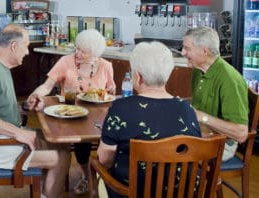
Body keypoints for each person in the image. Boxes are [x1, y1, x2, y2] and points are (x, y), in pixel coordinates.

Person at [0, 23, 70, 198]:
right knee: (61, 158)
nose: (27, 52)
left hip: (2, 139)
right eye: (26, 46)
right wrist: (18, 132)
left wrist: (24, 107)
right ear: (14, 46)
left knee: (60, 144)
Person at [97, 41, 201, 197]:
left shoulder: (120, 109)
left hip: (131, 193)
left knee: (100, 173)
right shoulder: (187, 109)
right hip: (180, 193)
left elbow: (105, 160)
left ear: (138, 77)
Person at [27, 28, 116, 195]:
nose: (78, 53)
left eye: (83, 51)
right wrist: (35, 94)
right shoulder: (66, 62)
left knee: (110, 140)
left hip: (98, 116)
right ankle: (86, 176)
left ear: (95, 53)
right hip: (71, 115)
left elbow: (110, 91)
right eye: (77, 48)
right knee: (81, 142)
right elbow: (47, 86)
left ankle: (102, 179)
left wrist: (111, 91)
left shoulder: (106, 66)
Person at [182, 26, 249, 161]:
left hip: (221, 144)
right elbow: (200, 104)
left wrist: (203, 117)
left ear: (204, 51)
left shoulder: (229, 80)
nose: (183, 52)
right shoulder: (198, 70)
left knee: (170, 153)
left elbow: (241, 133)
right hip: (200, 133)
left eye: (187, 48)